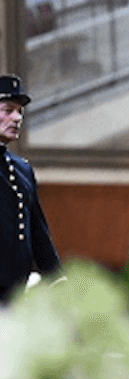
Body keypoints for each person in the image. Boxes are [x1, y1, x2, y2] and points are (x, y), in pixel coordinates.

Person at [0, 75, 61, 301]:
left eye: (19, 111)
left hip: (17, 294)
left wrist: (57, 280)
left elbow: (38, 233)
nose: (16, 118)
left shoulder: (23, 169)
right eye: (8, 110)